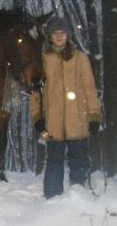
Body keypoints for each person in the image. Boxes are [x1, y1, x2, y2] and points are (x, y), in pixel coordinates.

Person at [29, 16, 102, 199]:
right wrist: (37, 117)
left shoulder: (80, 58)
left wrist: (94, 115)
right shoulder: (42, 60)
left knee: (79, 160)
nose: (59, 36)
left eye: (62, 33)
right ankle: (53, 200)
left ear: (68, 35)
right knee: (54, 161)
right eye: (55, 33)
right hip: (52, 123)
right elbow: (35, 92)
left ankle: (79, 198)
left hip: (78, 120)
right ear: (50, 37)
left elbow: (89, 89)